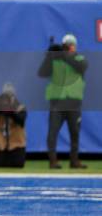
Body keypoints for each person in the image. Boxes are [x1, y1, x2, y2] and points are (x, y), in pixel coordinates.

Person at [38, 34, 88, 169]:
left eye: (71, 45)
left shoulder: (79, 58)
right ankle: (53, 161)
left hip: (73, 103)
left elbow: (81, 67)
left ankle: (74, 161)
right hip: (57, 103)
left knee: (75, 133)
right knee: (52, 133)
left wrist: (63, 55)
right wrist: (49, 56)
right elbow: (42, 73)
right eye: (67, 45)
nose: (69, 48)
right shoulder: (55, 61)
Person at [0, 83, 27, 168]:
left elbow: (21, 120)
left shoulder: (19, 106)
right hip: (1, 145)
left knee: (18, 164)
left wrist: (11, 111)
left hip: (16, 144)